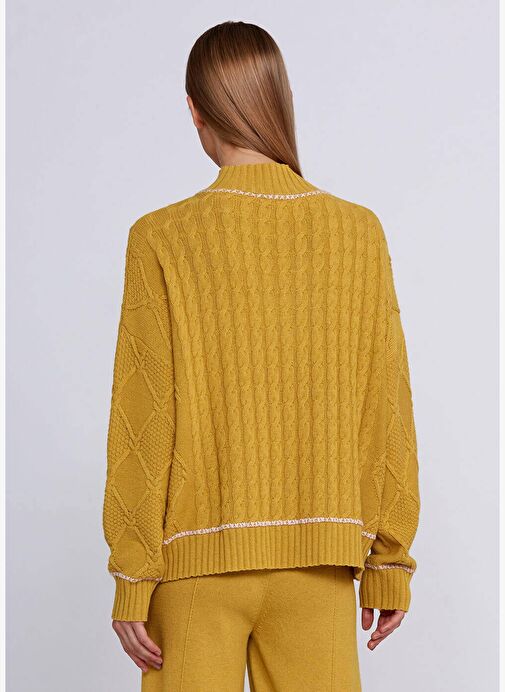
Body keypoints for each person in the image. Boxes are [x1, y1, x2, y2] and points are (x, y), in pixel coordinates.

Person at [102, 20, 420, 692]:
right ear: (279, 101)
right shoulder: (357, 233)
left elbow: (142, 422)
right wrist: (389, 560)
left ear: (194, 110)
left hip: (192, 567)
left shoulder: (159, 238)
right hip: (319, 569)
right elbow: (385, 409)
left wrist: (133, 574)